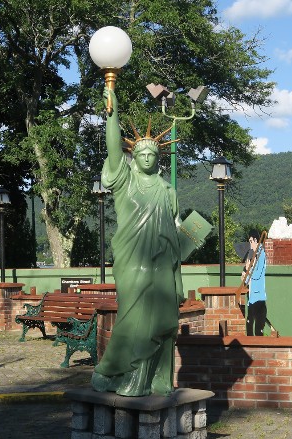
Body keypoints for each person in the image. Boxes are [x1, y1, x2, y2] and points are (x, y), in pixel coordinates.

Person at [90, 87, 183, 397]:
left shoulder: (167, 190)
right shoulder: (124, 180)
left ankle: (157, 379)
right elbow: (113, 149)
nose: (145, 157)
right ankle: (115, 371)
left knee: (162, 323)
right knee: (135, 319)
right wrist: (112, 114)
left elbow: (177, 231)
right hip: (133, 263)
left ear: (158, 158)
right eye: (140, 153)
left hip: (163, 267)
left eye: (151, 154)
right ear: (134, 156)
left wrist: (178, 273)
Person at [244, 230, 267, 336]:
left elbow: (257, 274)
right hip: (252, 297)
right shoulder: (253, 255)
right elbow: (250, 276)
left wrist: (249, 270)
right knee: (249, 328)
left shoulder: (261, 254)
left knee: (258, 331)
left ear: (255, 240)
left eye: (250, 241)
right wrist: (245, 275)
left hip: (259, 297)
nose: (250, 244)